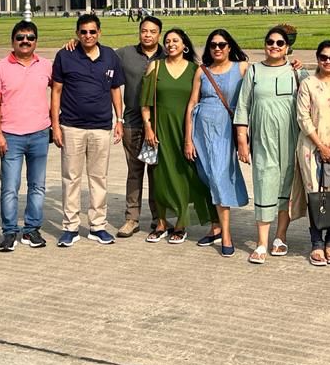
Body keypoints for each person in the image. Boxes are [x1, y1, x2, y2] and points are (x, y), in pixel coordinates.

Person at [234, 26, 309, 264]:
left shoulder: (298, 72)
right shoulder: (254, 71)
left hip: (290, 138)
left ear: (287, 47)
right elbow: (243, 106)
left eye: (279, 43)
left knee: (286, 185)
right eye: (270, 42)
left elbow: (317, 93)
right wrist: (242, 140)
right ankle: (261, 242)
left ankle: (281, 236)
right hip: (262, 139)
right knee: (265, 183)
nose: (274, 46)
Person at [51, 13, 124, 247]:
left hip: (101, 127)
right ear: (77, 33)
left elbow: (115, 90)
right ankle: (70, 227)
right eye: (83, 32)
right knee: (71, 178)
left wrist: (119, 120)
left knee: (98, 178)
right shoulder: (65, 55)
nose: (88, 36)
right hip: (71, 126)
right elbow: (56, 92)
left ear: (99, 33)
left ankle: (97, 226)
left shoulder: (110, 56)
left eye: (92, 31)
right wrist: (55, 125)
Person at [140, 28, 215, 244]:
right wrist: (148, 128)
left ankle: (181, 222)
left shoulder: (195, 70)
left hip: (186, 130)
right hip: (161, 129)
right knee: (161, 177)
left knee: (184, 176)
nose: (171, 44)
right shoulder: (156, 66)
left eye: (176, 40)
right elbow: (145, 102)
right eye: (168, 41)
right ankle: (162, 222)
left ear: (185, 46)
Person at [184, 29, 250, 257]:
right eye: (213, 45)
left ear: (230, 46)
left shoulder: (241, 68)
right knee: (208, 178)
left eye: (222, 44)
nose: (217, 48)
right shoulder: (202, 72)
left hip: (225, 132)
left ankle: (227, 234)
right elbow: (192, 104)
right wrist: (188, 139)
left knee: (221, 177)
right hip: (202, 133)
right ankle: (216, 226)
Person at [289, 40, 330, 266]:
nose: (328, 62)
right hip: (312, 146)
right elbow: (303, 117)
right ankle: (317, 243)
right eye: (324, 57)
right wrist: (321, 146)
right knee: (315, 194)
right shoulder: (308, 83)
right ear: (318, 58)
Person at [0, 20, 53, 252]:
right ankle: (9, 231)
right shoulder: (0, 67)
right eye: (20, 37)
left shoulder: (46, 65)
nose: (25, 41)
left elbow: (59, 90)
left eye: (30, 37)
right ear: (12, 40)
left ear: (36, 41)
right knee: (10, 186)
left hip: (39, 133)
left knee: (37, 185)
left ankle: (32, 229)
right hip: (11, 135)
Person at [114, 16, 166, 238]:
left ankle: (158, 218)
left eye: (152, 31)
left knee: (157, 173)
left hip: (161, 125)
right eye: (144, 31)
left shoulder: (169, 53)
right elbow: (99, 57)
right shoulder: (125, 54)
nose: (147, 35)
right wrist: (74, 43)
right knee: (135, 172)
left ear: (159, 34)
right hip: (133, 123)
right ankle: (131, 218)